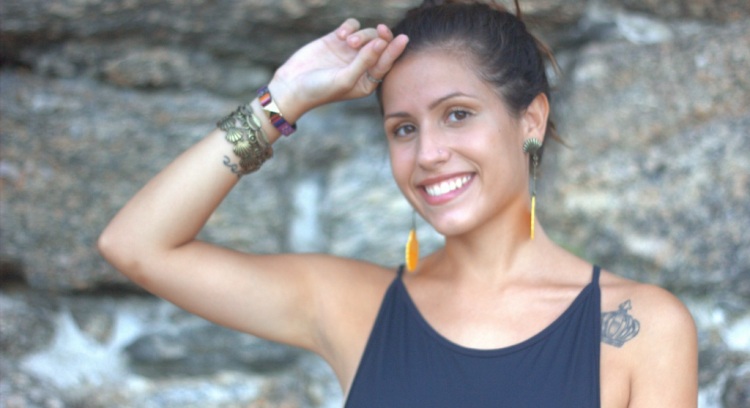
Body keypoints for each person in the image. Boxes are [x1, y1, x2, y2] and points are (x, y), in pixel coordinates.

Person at [98, 0, 698, 406]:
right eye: (403, 128)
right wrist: (280, 101)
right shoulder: (352, 307)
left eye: (457, 114)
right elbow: (136, 245)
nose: (428, 153)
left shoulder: (640, 327)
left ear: (530, 121)